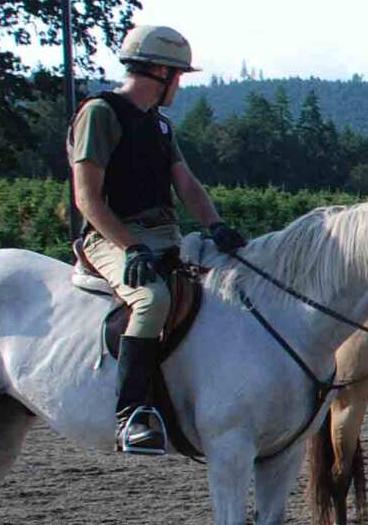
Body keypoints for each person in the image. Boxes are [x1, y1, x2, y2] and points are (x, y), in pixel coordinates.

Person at [69, 24, 245, 455]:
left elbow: (187, 185)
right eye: (179, 76)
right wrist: (129, 246)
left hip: (166, 234)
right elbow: (87, 198)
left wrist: (216, 226)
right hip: (112, 235)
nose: (180, 85)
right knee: (152, 300)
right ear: (160, 72)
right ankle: (132, 414)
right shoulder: (101, 114)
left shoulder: (161, 127)